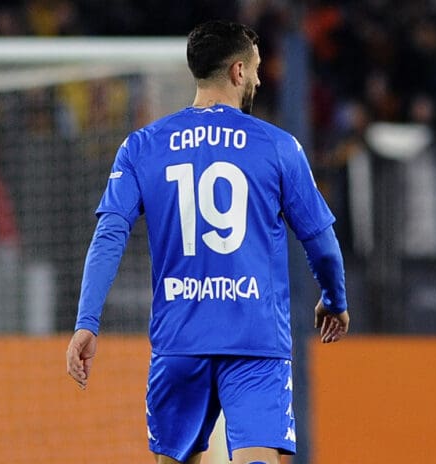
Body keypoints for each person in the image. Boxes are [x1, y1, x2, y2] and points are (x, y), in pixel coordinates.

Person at [66, 20, 349, 464]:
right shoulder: (278, 146)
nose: (259, 80)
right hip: (255, 342)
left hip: (179, 341)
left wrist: (87, 321)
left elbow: (109, 235)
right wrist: (334, 299)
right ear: (238, 71)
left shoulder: (142, 146)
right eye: (256, 69)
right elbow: (322, 243)